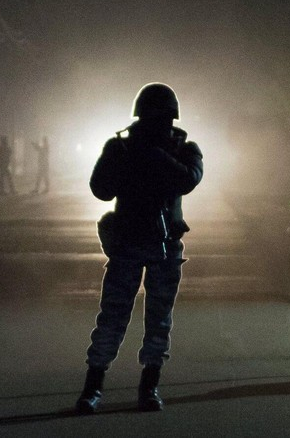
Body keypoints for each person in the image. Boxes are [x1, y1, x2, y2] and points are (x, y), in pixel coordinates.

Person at [75, 83, 203, 414]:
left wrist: (156, 156)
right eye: (153, 118)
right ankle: (93, 387)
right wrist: (126, 158)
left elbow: (188, 179)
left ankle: (149, 386)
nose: (159, 125)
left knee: (158, 321)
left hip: (165, 245)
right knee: (112, 318)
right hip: (128, 241)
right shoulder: (121, 147)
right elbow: (101, 189)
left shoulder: (184, 149)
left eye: (163, 119)